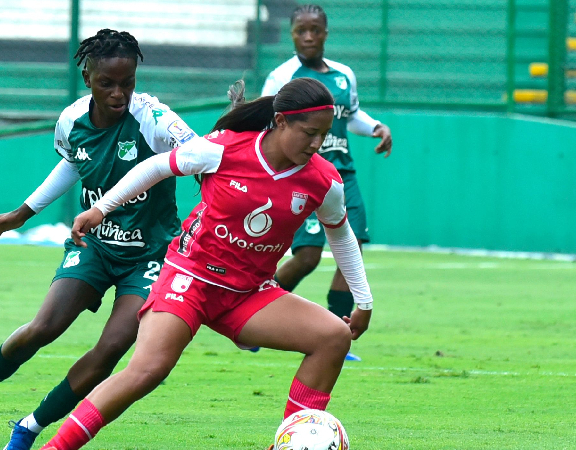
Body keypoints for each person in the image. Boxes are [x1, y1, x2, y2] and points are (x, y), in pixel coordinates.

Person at [36, 77, 374, 450]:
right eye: (309, 132)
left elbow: (340, 235)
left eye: (323, 135)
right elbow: (155, 168)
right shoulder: (222, 150)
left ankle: (291, 443)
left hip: (248, 294)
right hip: (190, 278)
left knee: (332, 337)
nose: (317, 144)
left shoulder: (324, 181)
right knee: (148, 370)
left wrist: (363, 300)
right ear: (280, 122)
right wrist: (101, 208)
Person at [0, 29, 199, 450]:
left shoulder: (154, 119)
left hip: (150, 255)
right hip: (94, 244)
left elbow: (198, 153)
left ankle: (30, 427)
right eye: (107, 83)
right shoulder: (71, 120)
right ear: (87, 77)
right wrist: (22, 214)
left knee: (111, 349)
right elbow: (73, 164)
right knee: (44, 327)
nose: (119, 93)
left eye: (127, 83)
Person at [261, 4, 392, 361]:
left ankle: (336, 332)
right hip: (303, 174)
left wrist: (376, 127)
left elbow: (352, 115)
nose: (307, 36)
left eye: (314, 30)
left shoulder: (343, 75)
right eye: (300, 30)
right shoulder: (282, 76)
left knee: (354, 247)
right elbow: (265, 120)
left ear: (325, 33)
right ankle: (256, 315)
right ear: (291, 34)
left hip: (342, 175)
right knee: (306, 257)